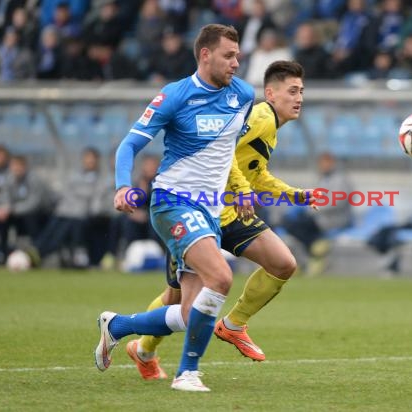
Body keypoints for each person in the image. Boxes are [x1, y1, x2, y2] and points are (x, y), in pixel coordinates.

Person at [125, 60, 317, 382]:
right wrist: (242, 191)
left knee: (283, 263)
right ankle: (140, 348)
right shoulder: (260, 117)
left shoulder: (270, 126)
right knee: (177, 300)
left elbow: (257, 172)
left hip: (230, 214)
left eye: (302, 91)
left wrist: (292, 195)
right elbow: (220, 152)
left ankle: (233, 325)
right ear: (270, 93)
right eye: (292, 91)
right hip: (203, 211)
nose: (299, 98)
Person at [94, 24, 256, 393]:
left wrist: (239, 189)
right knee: (222, 278)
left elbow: (225, 153)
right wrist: (123, 186)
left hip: (210, 210)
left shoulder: (243, 95)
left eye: (238, 55)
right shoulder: (174, 95)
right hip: (172, 202)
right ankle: (188, 373)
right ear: (205, 54)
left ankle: (116, 326)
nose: (236, 62)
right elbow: (128, 146)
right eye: (229, 55)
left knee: (188, 313)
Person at [281, 152, 353, 277]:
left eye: (325, 163)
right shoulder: (324, 178)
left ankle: (315, 247)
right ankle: (315, 246)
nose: (323, 166)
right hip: (319, 217)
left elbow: (337, 202)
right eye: (321, 163)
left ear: (332, 163)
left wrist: (313, 207)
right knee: (288, 222)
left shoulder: (341, 180)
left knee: (293, 224)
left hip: (333, 220)